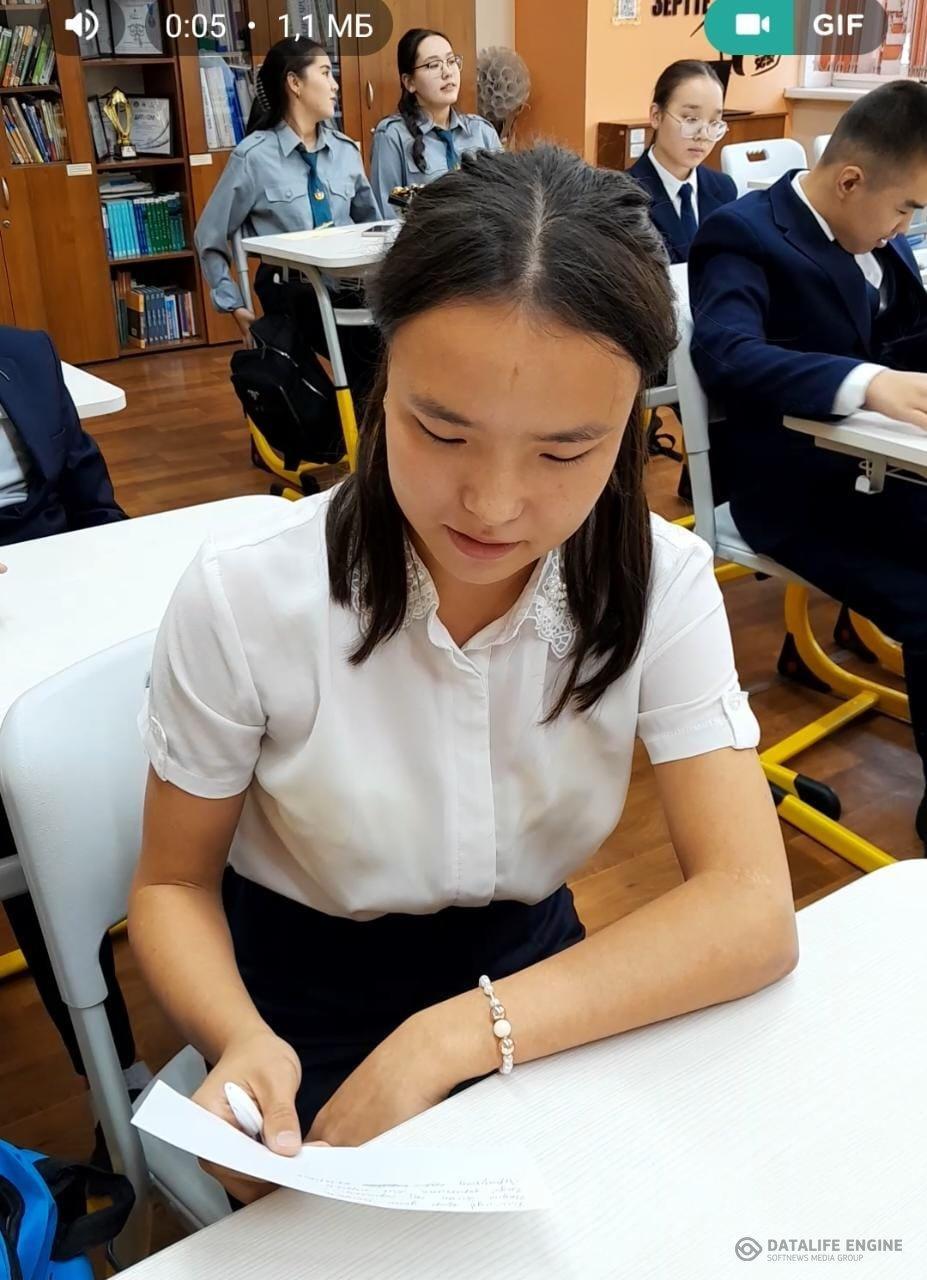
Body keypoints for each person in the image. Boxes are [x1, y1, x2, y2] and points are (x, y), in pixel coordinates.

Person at [131, 145, 798, 1207]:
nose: (492, 504)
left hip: (539, 979)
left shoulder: (659, 580)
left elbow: (751, 906)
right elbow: (171, 885)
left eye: (564, 452)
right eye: (440, 431)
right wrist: (237, 1038)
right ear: (380, 380)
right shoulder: (248, 594)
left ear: (633, 424)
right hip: (298, 997)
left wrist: (454, 1036)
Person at [688, 80, 927, 849]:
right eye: (905, 209)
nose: (904, 227)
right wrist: (867, 382)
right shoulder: (742, 233)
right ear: (850, 180)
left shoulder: (874, 236)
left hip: (880, 470)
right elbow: (725, 353)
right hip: (793, 491)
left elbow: (901, 336)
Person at [0, 324, 144, 1150]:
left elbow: (95, 501)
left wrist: (112, 582)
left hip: (67, 600)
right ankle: (110, 1067)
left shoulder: (25, 352)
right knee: (32, 821)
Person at [194, 37, 382, 413]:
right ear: (294, 83)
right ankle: (358, 434)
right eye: (325, 73)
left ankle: (371, 431)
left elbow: (373, 227)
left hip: (346, 283)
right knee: (363, 348)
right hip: (290, 288)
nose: (335, 85)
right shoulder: (253, 157)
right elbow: (209, 235)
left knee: (395, 337)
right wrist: (233, 304)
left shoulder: (345, 152)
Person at [370, 28, 502, 221]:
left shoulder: (482, 132)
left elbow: (505, 202)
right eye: (433, 65)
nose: (447, 72)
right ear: (409, 82)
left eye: (451, 61)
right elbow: (388, 213)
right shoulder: (392, 136)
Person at [629, 60, 737, 265]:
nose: (703, 135)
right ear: (656, 116)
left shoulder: (724, 188)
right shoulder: (624, 195)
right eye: (690, 119)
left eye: (714, 122)